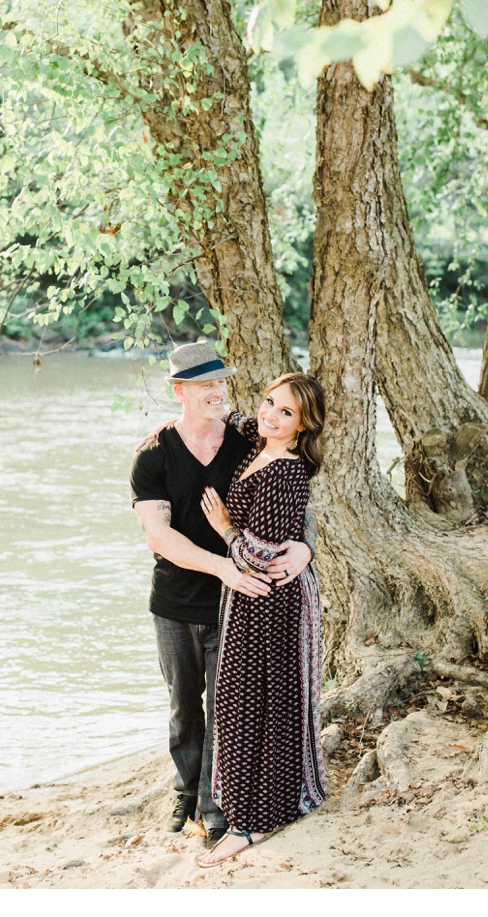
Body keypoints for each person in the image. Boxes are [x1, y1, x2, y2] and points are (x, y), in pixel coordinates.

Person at [129, 342, 314, 847]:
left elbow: (293, 486)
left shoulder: (245, 436)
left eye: (221, 382)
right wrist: (223, 567)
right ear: (180, 390)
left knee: (228, 705)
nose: (217, 391)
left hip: (239, 604)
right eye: (205, 383)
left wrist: (305, 548)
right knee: (184, 705)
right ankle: (184, 792)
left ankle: (215, 806)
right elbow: (158, 535)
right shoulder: (153, 454)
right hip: (174, 601)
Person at [194, 371, 329, 868]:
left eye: (286, 412)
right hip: (250, 599)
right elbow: (232, 417)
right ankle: (260, 809)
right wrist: (171, 426)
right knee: (244, 702)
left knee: (256, 706)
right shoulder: (261, 438)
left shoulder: (287, 472)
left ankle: (250, 825)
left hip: (273, 601)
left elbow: (259, 556)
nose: (270, 415)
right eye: (270, 403)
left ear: (303, 426)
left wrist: (225, 527)